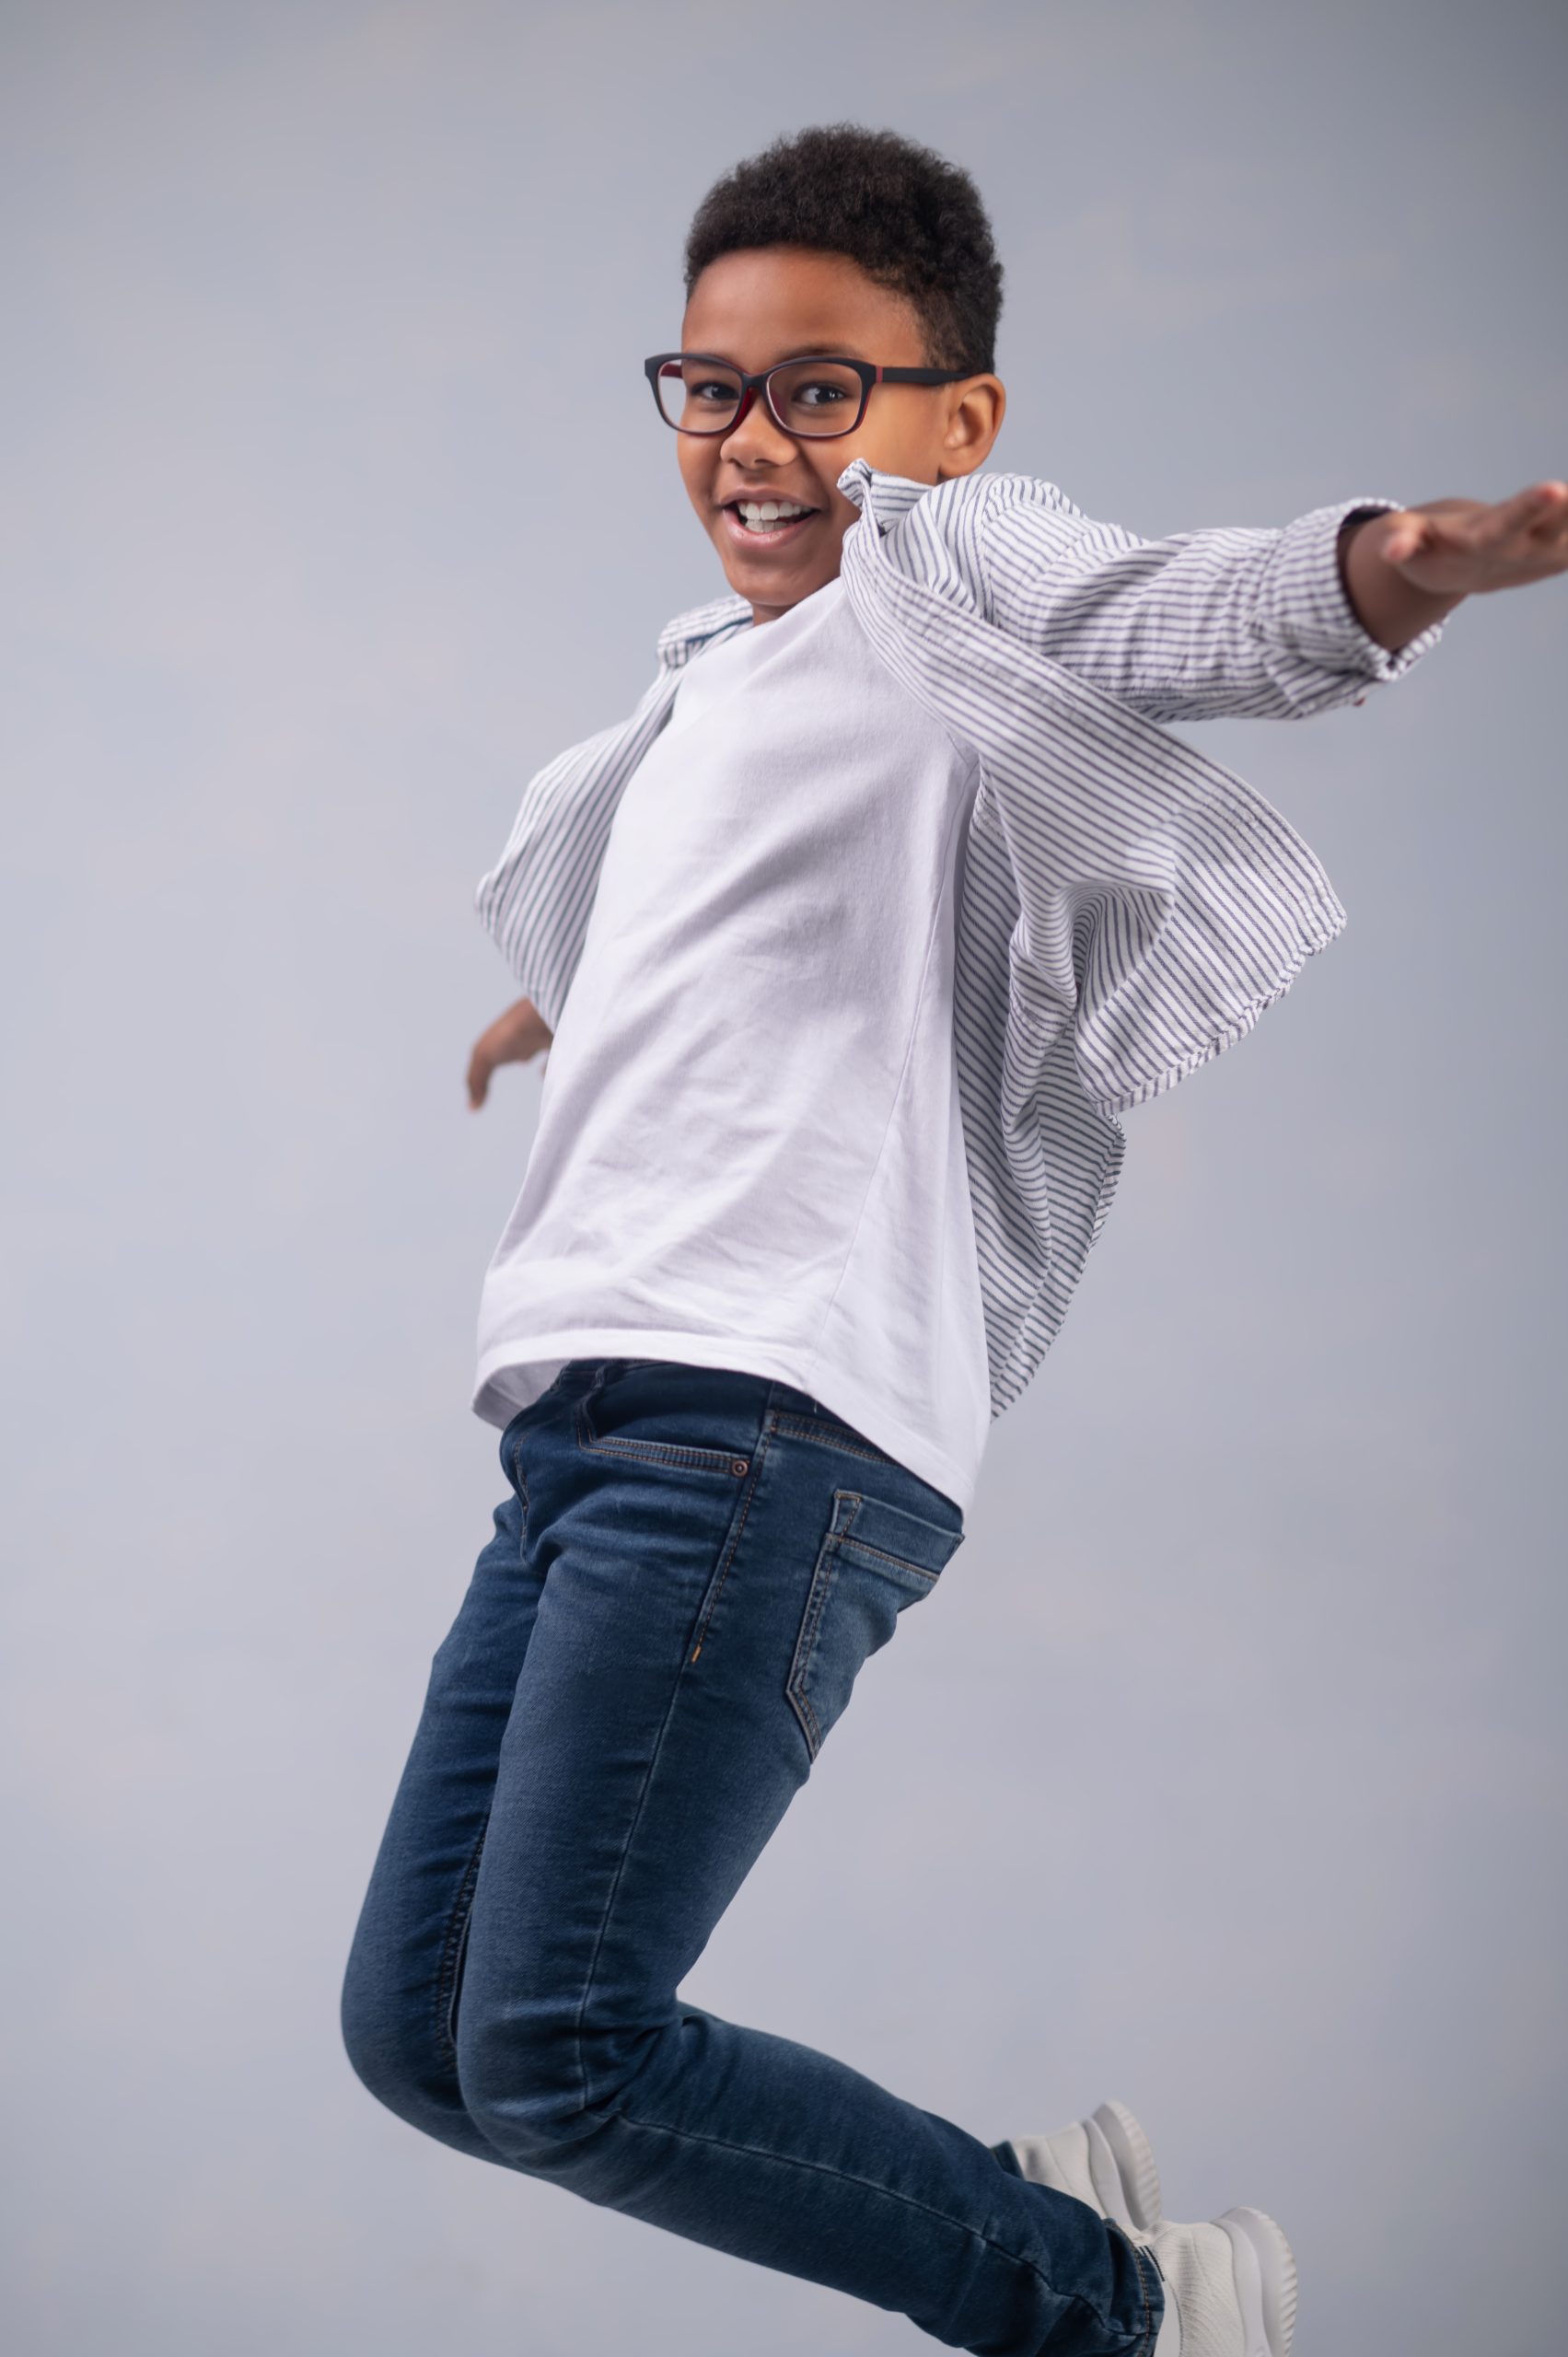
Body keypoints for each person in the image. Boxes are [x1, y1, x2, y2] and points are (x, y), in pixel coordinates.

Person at [341, 123, 1568, 2357]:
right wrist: (578, 994)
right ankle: (1017, 2212)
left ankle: (1119, 2307)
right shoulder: (715, 679)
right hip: (592, 1431)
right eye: (709, 387)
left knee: (559, 2043)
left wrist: (1415, 558)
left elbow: (1169, 609)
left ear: (953, 423)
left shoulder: (959, 575)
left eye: (824, 387)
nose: (755, 438)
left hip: (766, 1428)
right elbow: (733, 909)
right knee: (423, 2039)